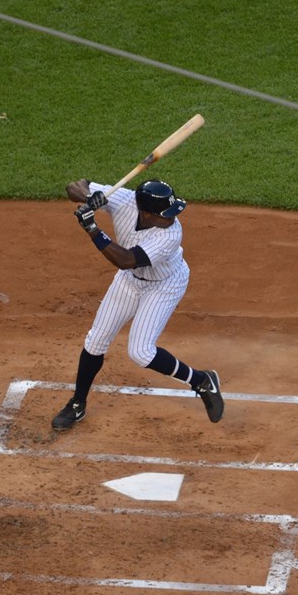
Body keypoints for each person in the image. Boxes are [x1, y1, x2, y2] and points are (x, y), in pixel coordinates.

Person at [52, 178, 223, 430]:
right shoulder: (124, 200)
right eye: (165, 214)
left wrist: (93, 229)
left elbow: (127, 260)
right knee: (95, 341)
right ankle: (77, 404)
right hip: (129, 282)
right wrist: (89, 197)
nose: (172, 218)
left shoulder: (170, 234)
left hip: (164, 285)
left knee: (141, 353)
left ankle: (201, 380)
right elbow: (74, 186)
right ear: (145, 212)